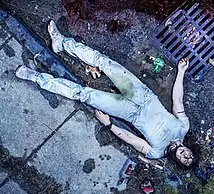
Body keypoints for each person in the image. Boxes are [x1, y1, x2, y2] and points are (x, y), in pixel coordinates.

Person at [16, 21, 199, 169]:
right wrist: (181, 71)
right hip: (142, 94)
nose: (186, 156)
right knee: (102, 61)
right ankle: (62, 43)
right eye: (190, 155)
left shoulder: (156, 152)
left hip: (128, 112)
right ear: (190, 150)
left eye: (185, 161)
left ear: (178, 161)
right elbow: (178, 100)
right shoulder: (183, 127)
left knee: (83, 94)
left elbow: (130, 138)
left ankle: (38, 78)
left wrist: (109, 124)